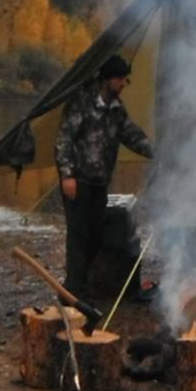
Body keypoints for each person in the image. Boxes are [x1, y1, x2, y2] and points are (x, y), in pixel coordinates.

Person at [55, 53, 154, 309]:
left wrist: (158, 152)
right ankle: (73, 291)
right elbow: (64, 139)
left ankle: (82, 286)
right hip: (78, 181)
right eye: (121, 79)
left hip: (99, 183)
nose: (123, 84)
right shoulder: (82, 103)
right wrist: (67, 175)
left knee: (96, 236)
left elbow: (131, 135)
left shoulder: (116, 109)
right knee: (78, 237)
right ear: (108, 79)